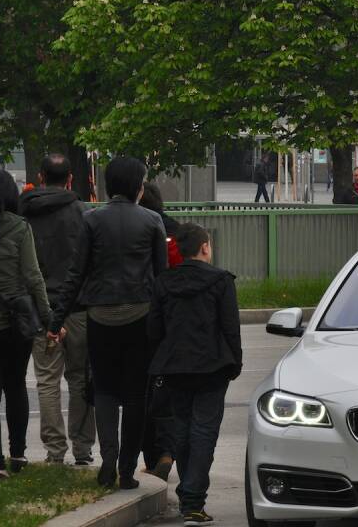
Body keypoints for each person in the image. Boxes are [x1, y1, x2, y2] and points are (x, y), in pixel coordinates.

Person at [48, 157, 168, 490]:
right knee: (134, 396)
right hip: (139, 317)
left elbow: (76, 274)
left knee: (104, 391)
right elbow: (161, 280)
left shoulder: (91, 220)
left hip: (99, 317)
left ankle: (108, 461)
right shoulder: (152, 221)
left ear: (107, 186)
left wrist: (57, 319)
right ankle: (128, 469)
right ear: (139, 188)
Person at [148, 224, 241, 526]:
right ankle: (192, 502)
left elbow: (154, 330)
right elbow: (230, 327)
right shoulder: (221, 281)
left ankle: (189, 497)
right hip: (212, 367)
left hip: (175, 367)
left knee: (182, 430)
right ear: (204, 248)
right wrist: (235, 362)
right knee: (204, 432)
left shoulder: (163, 283)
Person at [19, 154, 96, 466]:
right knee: (80, 378)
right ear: (70, 180)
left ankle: (54, 451)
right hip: (78, 309)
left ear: (40, 177)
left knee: (48, 381)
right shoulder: (83, 213)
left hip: (41, 311)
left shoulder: (25, 212)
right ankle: (82, 448)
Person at [0, 169, 50, 478]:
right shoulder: (20, 228)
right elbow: (33, 277)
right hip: (16, 323)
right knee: (16, 388)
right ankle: (19, 454)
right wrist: (47, 316)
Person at [138, 182, 181, 480]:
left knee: (142, 392)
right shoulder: (176, 232)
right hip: (173, 322)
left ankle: (152, 458)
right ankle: (168, 450)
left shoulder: (136, 230)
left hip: (141, 318)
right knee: (170, 392)